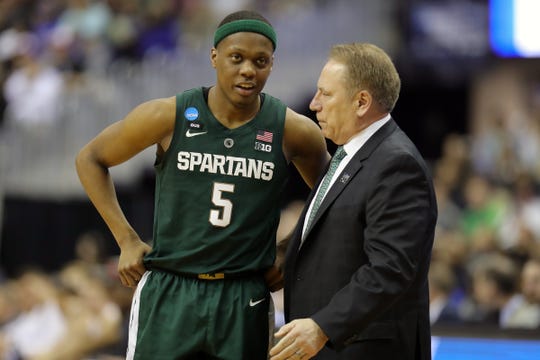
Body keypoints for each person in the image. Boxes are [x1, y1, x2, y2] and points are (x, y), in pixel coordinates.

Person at [75, 10, 328, 360]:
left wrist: (288, 249)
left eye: (260, 61)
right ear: (214, 57)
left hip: (243, 294)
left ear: (272, 65)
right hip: (170, 287)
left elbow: (331, 197)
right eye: (236, 58)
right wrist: (126, 238)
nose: (248, 70)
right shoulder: (170, 114)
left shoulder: (293, 130)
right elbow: (90, 159)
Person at [269, 43, 437, 360]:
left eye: (325, 94)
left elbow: (391, 269)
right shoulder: (350, 154)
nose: (314, 103)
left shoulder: (397, 164)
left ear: (361, 102)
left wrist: (323, 326)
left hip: (364, 348)